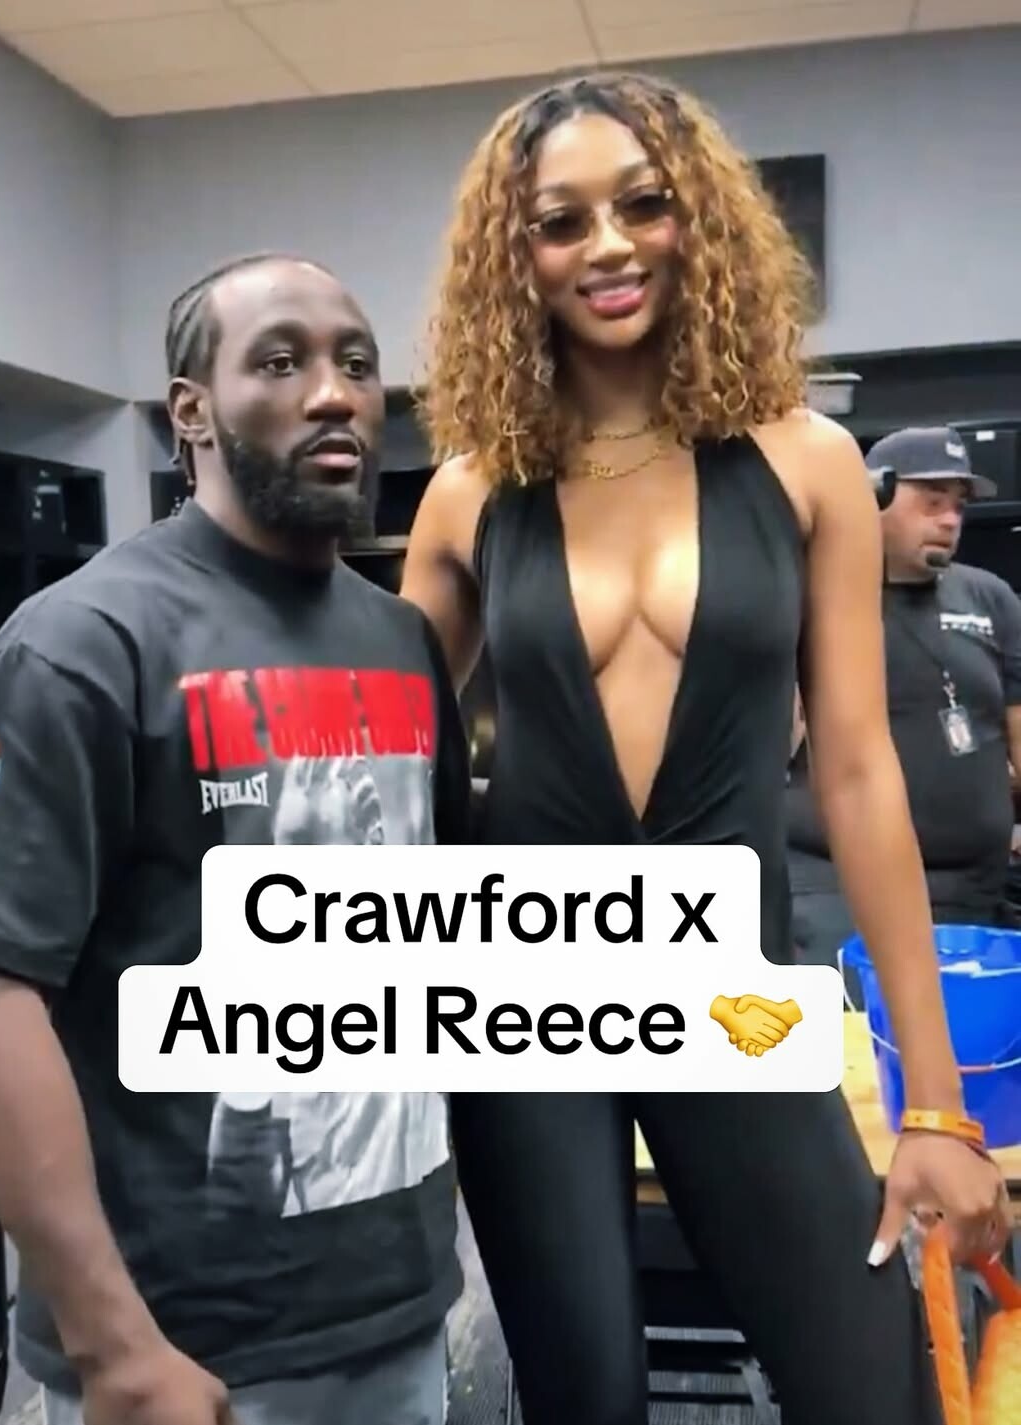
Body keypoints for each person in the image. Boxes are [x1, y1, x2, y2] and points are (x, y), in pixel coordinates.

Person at [400, 72, 1011, 1425]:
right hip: (526, 1004)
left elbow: (857, 770)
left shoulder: (804, 461)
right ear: (516, 257)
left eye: (643, 204)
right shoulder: (469, 490)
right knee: (586, 1397)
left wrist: (936, 1103)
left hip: (730, 977)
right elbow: (381, 767)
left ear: (700, 220)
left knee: (869, 1382)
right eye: (561, 222)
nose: (608, 246)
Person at [0, 253, 470, 1425]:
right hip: (187, 1352)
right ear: (191, 411)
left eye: (356, 364)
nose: (332, 393)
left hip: (400, 1311)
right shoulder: (81, 640)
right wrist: (114, 1345)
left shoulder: (401, 642)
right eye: (280, 361)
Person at [789, 425, 1021, 987]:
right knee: (859, 1037)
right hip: (838, 888)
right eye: (931, 502)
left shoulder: (989, 597)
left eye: (958, 506)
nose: (950, 520)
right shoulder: (809, 594)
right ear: (873, 498)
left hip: (976, 892)